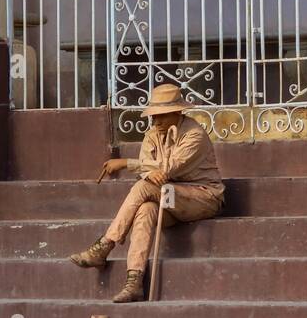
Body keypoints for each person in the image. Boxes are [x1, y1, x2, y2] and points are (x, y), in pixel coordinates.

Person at [68, 83, 225, 302]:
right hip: (167, 197)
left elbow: (168, 168)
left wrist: (126, 163)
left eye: (161, 116)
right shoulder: (152, 134)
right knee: (146, 210)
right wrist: (147, 173)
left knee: (144, 188)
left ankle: (105, 245)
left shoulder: (194, 135)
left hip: (202, 198)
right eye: (153, 116)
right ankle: (134, 280)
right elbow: (150, 172)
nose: (155, 121)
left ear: (177, 112)